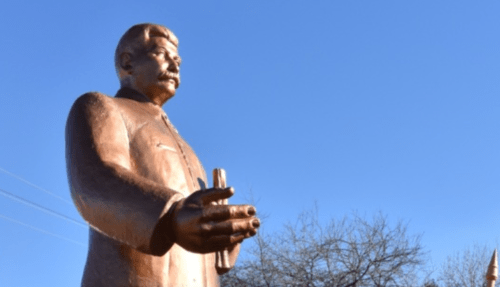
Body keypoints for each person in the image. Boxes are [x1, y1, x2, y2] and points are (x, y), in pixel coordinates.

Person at [65, 23, 259, 287]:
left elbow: (197, 242)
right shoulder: (102, 107)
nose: (174, 65)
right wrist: (171, 216)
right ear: (128, 62)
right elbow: (95, 179)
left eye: (177, 60)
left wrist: (222, 233)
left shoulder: (189, 151)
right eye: (162, 55)